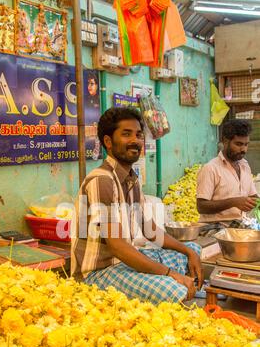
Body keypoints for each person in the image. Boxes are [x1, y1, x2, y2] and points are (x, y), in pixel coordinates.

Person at [71, 107, 203, 304]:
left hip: (123, 264)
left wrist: (189, 252)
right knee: (173, 289)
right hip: (97, 274)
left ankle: (179, 275)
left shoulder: (132, 180)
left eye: (139, 135)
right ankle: (175, 286)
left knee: (194, 249)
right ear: (108, 141)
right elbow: (118, 247)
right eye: (126, 134)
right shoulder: (101, 180)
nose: (135, 140)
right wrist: (170, 274)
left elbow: (151, 231)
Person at [197, 119, 258, 222]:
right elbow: (201, 206)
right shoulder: (211, 168)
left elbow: (252, 195)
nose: (243, 149)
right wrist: (233, 202)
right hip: (214, 229)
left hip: (240, 225)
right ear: (225, 141)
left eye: (246, 144)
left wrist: (256, 201)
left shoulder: (245, 165)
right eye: (238, 144)